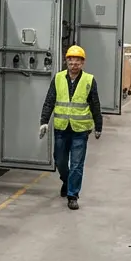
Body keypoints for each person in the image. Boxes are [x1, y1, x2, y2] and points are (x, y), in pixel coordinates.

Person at [39, 45, 103, 210]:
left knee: (76, 164)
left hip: (80, 130)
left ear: (82, 63)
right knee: (60, 161)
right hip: (61, 128)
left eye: (77, 62)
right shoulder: (59, 78)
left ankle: (72, 194)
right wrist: (44, 121)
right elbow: (50, 100)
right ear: (66, 61)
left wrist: (98, 125)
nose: (74, 65)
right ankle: (67, 181)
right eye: (71, 61)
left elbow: (95, 104)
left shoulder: (89, 80)